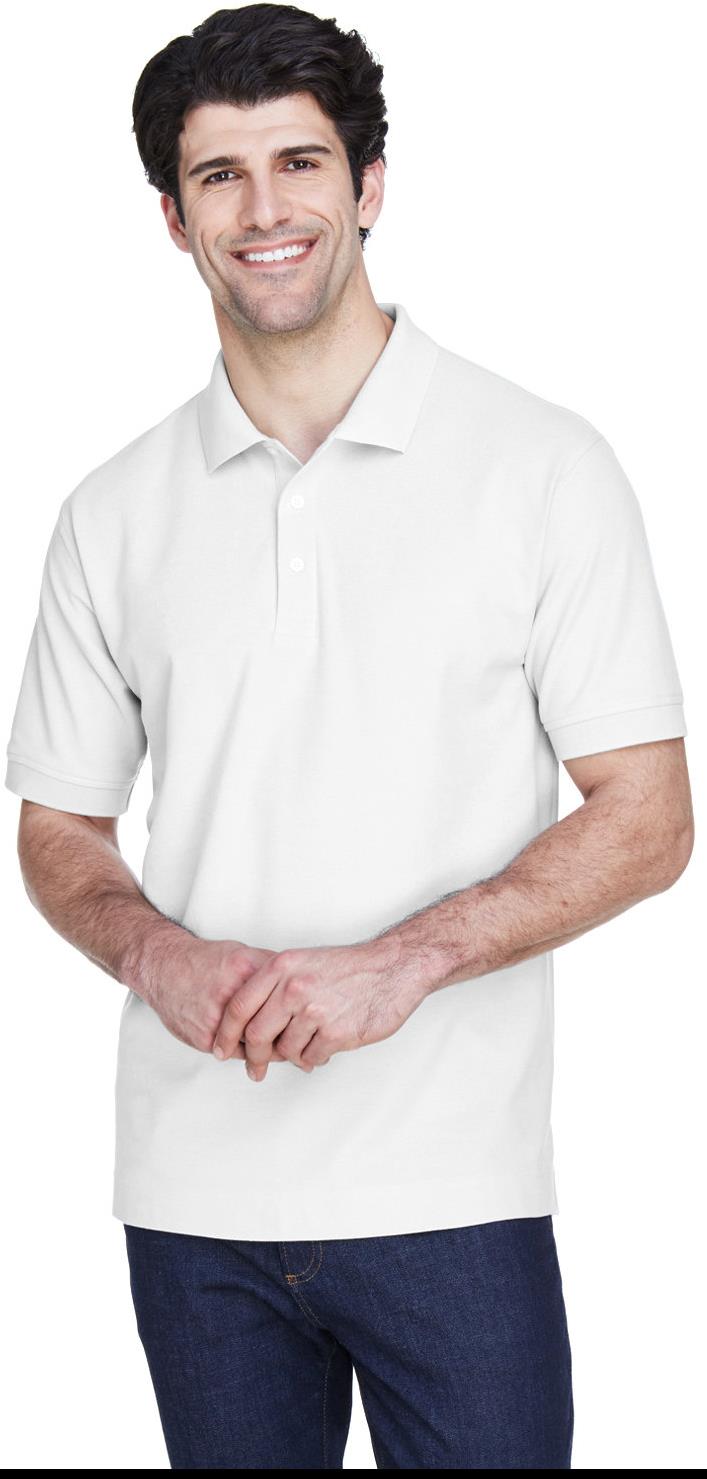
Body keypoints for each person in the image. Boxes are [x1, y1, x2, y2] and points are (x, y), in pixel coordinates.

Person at [5, 3, 694, 1469]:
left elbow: (648, 816)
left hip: (453, 1194)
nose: (265, 210)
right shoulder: (110, 513)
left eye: (301, 162)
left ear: (369, 185)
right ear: (174, 218)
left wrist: (408, 961)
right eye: (220, 175)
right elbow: (58, 824)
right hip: (193, 1205)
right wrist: (153, 952)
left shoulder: (542, 468)